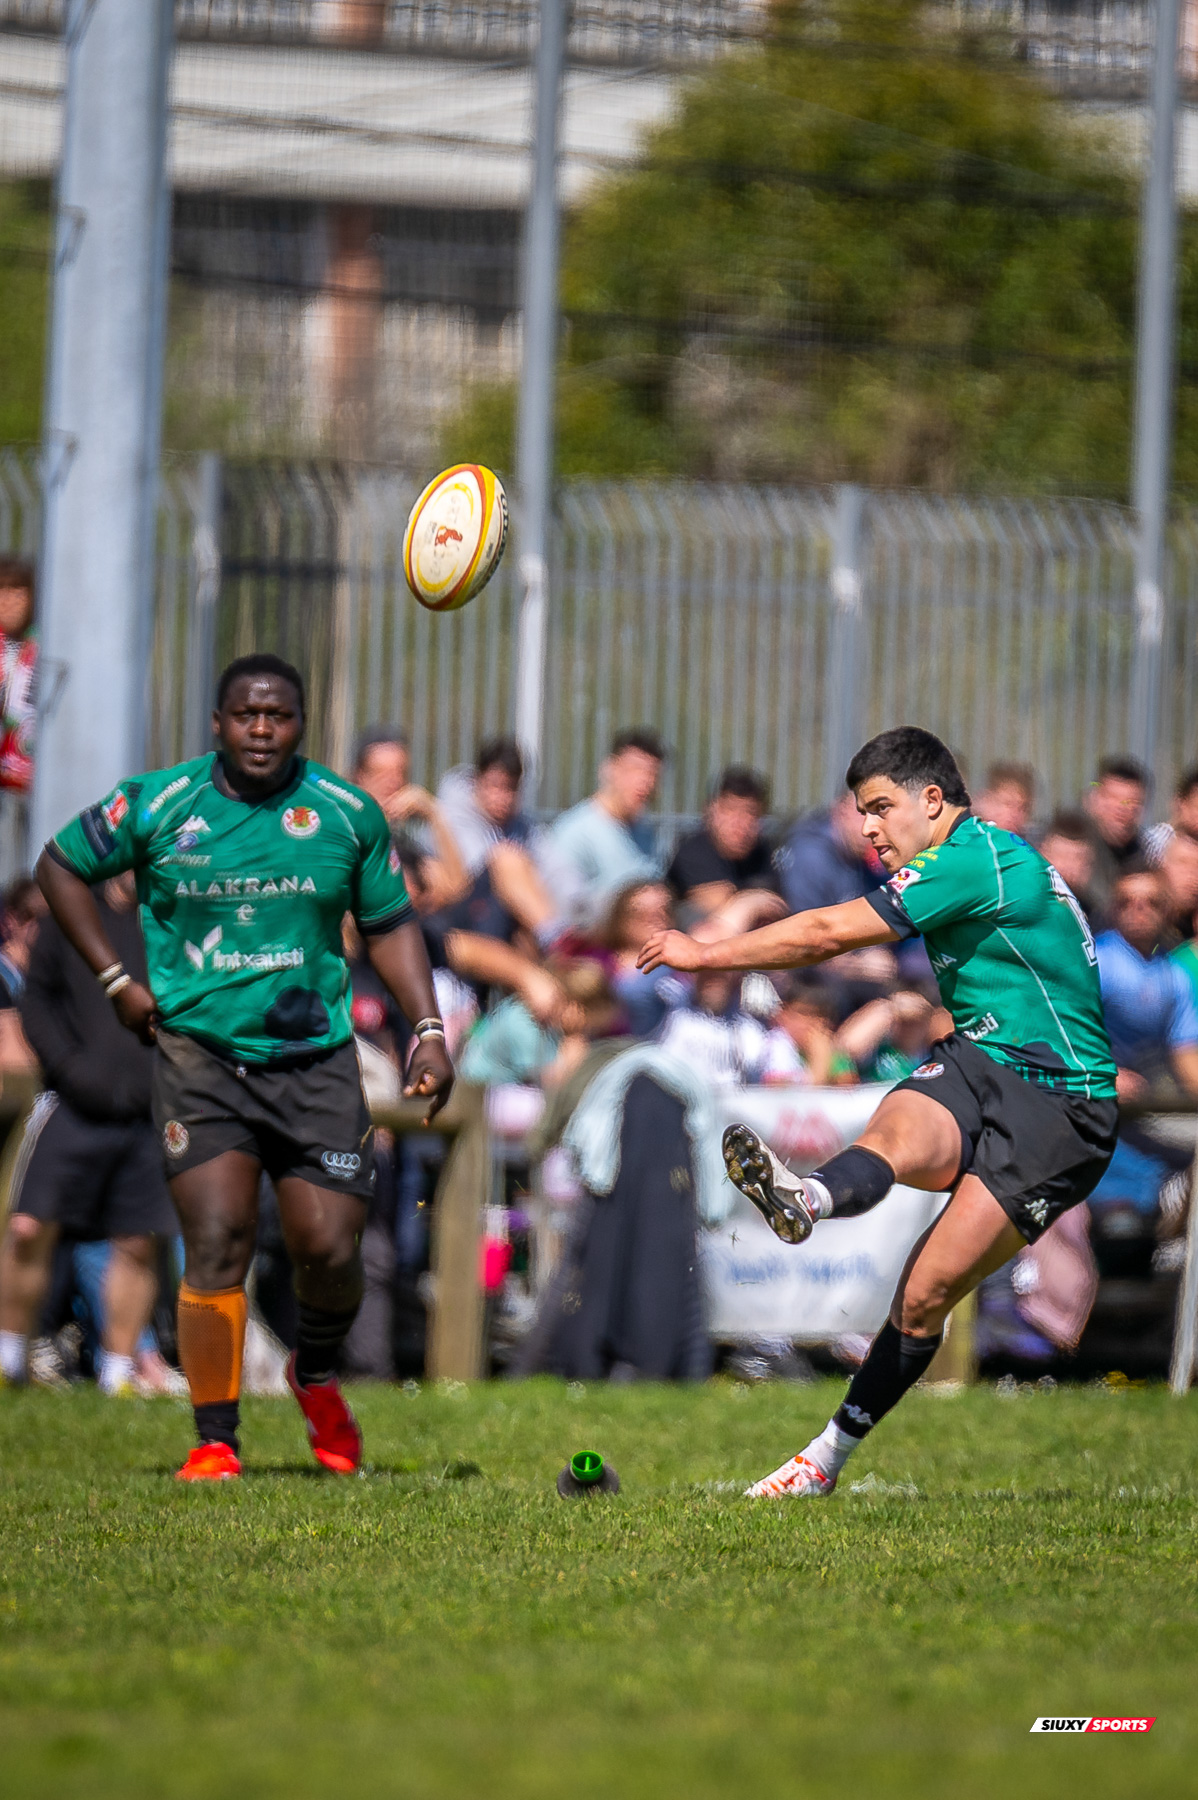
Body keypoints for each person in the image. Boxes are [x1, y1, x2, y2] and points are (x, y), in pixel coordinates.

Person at [638, 726, 1117, 1498]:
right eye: (860, 811)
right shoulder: (969, 858)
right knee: (896, 1131)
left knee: (925, 1293)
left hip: (1061, 1109)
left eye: (880, 807)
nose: (867, 827)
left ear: (933, 801)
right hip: (982, 1059)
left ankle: (825, 1457)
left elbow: (828, 931)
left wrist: (707, 952)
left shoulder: (973, 860)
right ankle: (810, 1196)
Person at [35, 653, 453, 1480]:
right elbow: (59, 865)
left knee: (330, 1249)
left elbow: (392, 921)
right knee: (217, 1240)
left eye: (279, 715)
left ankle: (316, 1373)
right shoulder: (158, 803)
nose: (262, 728)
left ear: (300, 724)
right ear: (219, 723)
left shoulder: (344, 811)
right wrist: (117, 980)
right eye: (246, 714)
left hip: (316, 1062)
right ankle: (215, 1439)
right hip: (201, 1058)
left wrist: (428, 1028)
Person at [0, 873, 178, 1396]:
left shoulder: (171, 921)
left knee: (138, 1242)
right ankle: (9, 1353)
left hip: (150, 1110)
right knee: (29, 1227)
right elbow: (37, 1001)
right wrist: (69, 1068)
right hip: (71, 1105)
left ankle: (118, 1371)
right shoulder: (71, 918)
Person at [539, 729, 664, 926]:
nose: (645, 781)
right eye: (635, 769)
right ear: (609, 769)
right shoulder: (575, 833)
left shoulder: (646, 833)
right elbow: (562, 911)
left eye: (653, 773)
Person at [350, 725, 467, 912]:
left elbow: (456, 889)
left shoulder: (405, 845)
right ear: (359, 777)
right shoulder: (345, 828)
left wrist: (434, 815)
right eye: (381, 774)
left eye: (400, 773)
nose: (394, 782)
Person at [666, 766, 781, 918]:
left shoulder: (764, 853)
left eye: (750, 812)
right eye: (730, 810)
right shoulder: (693, 852)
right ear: (710, 811)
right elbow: (722, 906)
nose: (740, 822)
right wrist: (759, 901)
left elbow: (782, 905)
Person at [834, 984, 951, 1085]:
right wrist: (886, 1008)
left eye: (916, 1023)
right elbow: (849, 1047)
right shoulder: (879, 1054)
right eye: (903, 1022)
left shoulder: (932, 1056)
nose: (909, 1029)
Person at [1084, 755, 1150, 917]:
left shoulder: (1144, 857)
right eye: (1113, 798)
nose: (1122, 809)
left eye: (1132, 802)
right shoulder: (1076, 849)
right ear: (1093, 800)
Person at [1038, 810, 1101, 930]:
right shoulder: (1022, 909)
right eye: (1061, 856)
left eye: (1079, 859)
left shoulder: (1097, 920)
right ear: (1043, 854)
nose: (1069, 867)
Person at [972, 762, 1036, 839]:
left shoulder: (1029, 846)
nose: (1016, 815)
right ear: (984, 801)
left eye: (1023, 809)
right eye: (1008, 804)